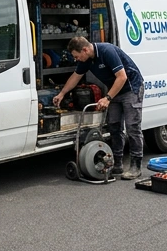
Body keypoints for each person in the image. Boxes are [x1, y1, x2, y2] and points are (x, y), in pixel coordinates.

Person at [53, 37, 144, 180]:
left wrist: (107, 98)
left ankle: (136, 166)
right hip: (114, 91)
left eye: (77, 56)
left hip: (130, 88)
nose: (77, 59)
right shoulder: (86, 59)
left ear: (85, 50)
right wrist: (62, 94)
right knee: (114, 126)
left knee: (132, 127)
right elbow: (76, 77)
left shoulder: (106, 51)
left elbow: (122, 77)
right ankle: (117, 164)